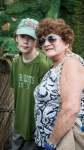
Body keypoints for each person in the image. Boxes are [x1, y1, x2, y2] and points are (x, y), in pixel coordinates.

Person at [33, 18, 84, 150]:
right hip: (51, 139)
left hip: (64, 142)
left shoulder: (70, 63)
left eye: (51, 38)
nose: (46, 43)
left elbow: (71, 110)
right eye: (42, 40)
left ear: (67, 43)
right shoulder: (55, 66)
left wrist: (51, 144)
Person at [9, 18, 52, 150]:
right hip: (18, 125)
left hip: (36, 128)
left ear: (37, 41)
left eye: (31, 37)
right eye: (22, 36)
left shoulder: (44, 65)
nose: (26, 41)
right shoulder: (15, 63)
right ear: (16, 37)